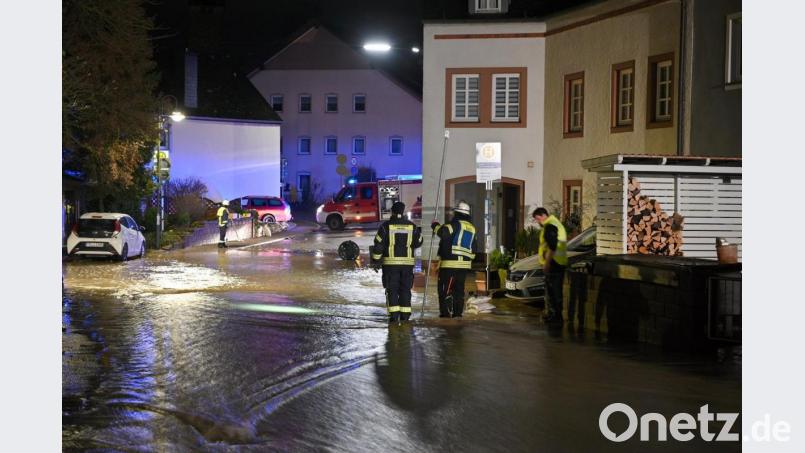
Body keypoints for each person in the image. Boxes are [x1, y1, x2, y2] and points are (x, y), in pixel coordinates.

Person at [371, 201, 423, 323]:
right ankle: (405, 317)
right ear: (402, 212)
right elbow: (419, 242)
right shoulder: (412, 226)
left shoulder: (385, 226)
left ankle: (394, 316)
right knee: (405, 289)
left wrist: (376, 260)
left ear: (392, 212)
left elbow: (378, 246)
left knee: (392, 289)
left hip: (390, 265)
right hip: (407, 265)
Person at [431, 201, 477, 318]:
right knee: (458, 291)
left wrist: (435, 225)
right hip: (464, 266)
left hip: (450, 265)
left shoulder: (454, 224)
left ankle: (445, 314)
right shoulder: (472, 228)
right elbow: (474, 248)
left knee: (444, 290)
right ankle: (457, 314)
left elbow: (443, 232)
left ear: (456, 212)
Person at [532, 207, 568, 323]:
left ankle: (556, 317)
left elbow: (552, 246)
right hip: (558, 262)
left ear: (543, 215)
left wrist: (547, 263)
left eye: (538, 219)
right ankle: (553, 315)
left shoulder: (550, 226)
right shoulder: (556, 223)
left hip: (554, 263)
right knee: (553, 290)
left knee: (554, 291)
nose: (538, 222)